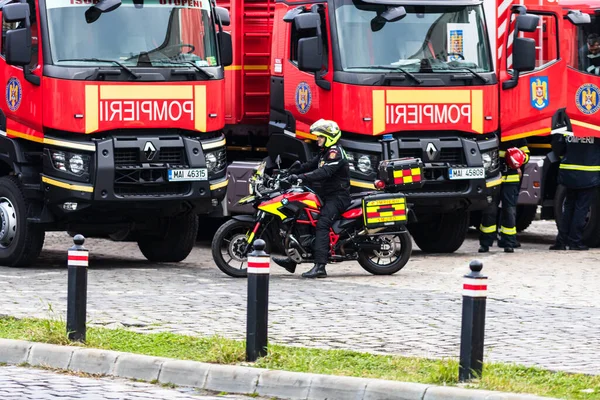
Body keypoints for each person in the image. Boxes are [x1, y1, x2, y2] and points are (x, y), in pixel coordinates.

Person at [273, 119, 351, 278]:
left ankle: (320, 267)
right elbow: (310, 165)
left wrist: (300, 177)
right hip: (325, 195)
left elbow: (323, 173)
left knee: (322, 224)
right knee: (301, 216)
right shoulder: (325, 152)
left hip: (338, 197)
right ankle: (293, 259)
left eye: (320, 137)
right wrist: (289, 172)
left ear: (329, 137)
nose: (317, 139)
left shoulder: (335, 152)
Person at [549, 132, 600, 250]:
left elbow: (557, 147)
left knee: (568, 208)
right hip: (589, 175)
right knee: (581, 209)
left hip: (569, 174)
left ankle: (561, 241)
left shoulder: (568, 127)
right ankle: (575, 241)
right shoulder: (595, 128)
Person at [479, 139, 530, 253]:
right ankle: (485, 243)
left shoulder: (518, 135)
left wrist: (518, 157)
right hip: (493, 177)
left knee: (509, 211)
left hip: (511, 179)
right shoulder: (494, 134)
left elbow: (527, 155)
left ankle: (509, 243)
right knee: (490, 210)